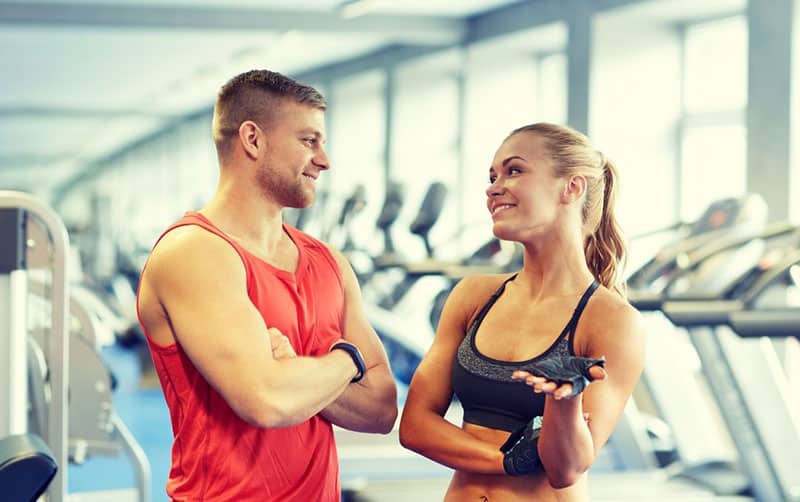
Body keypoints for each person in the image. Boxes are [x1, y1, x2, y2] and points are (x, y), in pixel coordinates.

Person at [136, 69, 398, 501]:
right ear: (253, 139)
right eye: (309, 141)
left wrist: (296, 370)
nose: (325, 160)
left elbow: (383, 408)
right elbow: (266, 401)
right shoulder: (194, 253)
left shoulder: (330, 262)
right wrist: (348, 360)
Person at [399, 122, 645, 501]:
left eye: (514, 171)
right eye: (492, 175)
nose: (493, 187)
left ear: (572, 187)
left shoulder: (611, 319)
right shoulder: (474, 296)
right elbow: (415, 426)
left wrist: (565, 403)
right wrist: (509, 460)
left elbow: (565, 470)